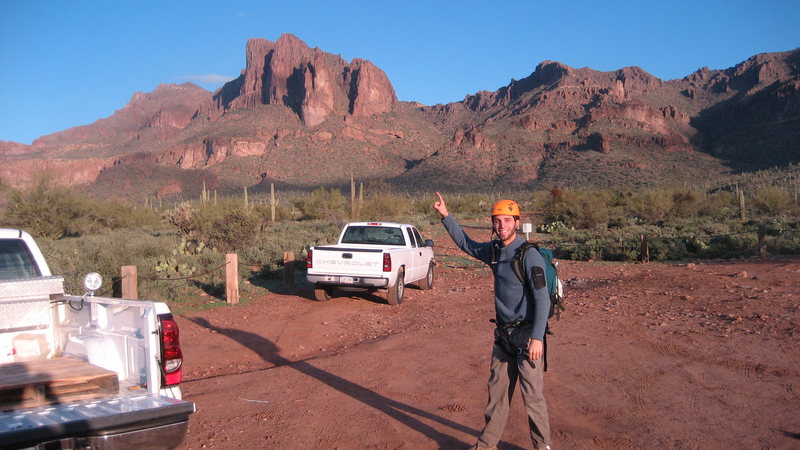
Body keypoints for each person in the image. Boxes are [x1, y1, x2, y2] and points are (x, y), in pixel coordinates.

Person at [433, 192, 551, 450]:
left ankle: (543, 447)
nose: (501, 226)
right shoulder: (495, 251)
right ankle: (486, 446)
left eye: (507, 220)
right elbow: (467, 244)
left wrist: (537, 337)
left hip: (528, 336)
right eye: (497, 221)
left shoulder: (528, 255)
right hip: (504, 336)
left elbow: (543, 300)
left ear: (517, 222)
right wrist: (446, 217)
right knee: (496, 397)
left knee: (533, 399)